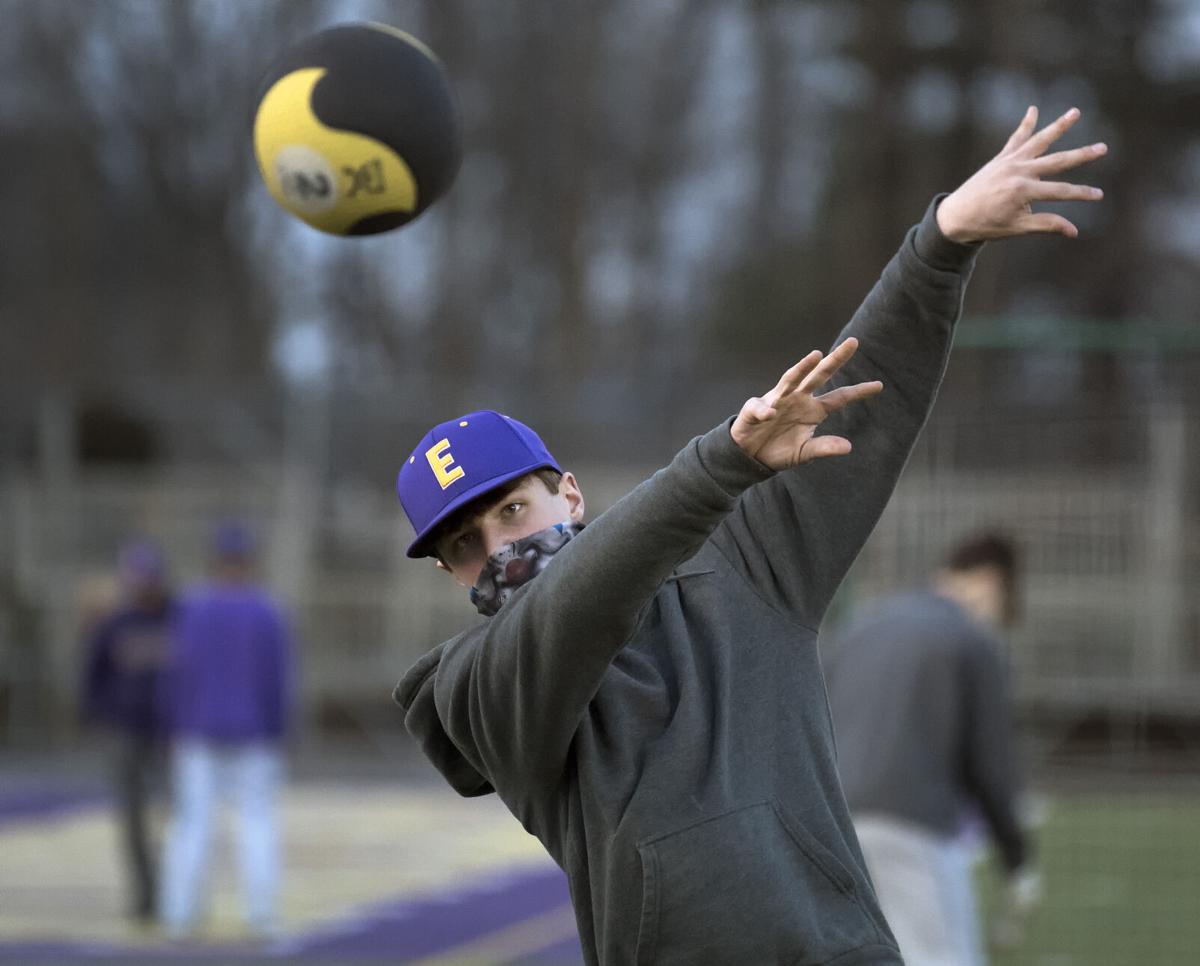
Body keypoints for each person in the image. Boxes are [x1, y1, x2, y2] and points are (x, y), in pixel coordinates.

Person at [393, 108, 1103, 965]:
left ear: (569, 493)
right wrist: (723, 461)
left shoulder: (742, 569)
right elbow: (570, 612)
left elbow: (862, 412)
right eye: (465, 544)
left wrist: (940, 245)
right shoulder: (476, 691)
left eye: (513, 511)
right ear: (446, 574)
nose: (499, 549)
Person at [825, 533, 1038, 966]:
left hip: (832, 826)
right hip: (911, 828)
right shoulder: (968, 639)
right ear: (993, 582)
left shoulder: (862, 625)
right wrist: (1018, 859)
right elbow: (990, 765)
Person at [158, 523, 293, 939]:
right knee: (257, 824)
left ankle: (180, 916)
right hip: (254, 733)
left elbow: (176, 673)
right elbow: (277, 680)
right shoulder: (266, 611)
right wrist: (279, 729)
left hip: (198, 730)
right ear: (248, 561)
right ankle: (261, 915)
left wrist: (173, 725)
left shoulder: (192, 608)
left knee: (191, 825)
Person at [80, 539, 174, 924]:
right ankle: (145, 893)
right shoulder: (114, 626)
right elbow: (92, 678)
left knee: (177, 813)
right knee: (132, 817)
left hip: (170, 732)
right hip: (126, 733)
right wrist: (103, 718)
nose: (143, 587)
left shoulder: (180, 619)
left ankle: (175, 888)